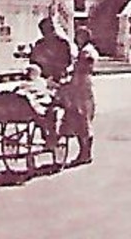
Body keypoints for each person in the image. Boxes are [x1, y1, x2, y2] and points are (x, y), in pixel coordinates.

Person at [58, 28, 99, 166]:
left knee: (84, 121)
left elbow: (88, 63)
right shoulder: (83, 50)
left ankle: (86, 153)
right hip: (79, 86)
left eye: (79, 36)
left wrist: (76, 67)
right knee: (80, 122)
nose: (77, 38)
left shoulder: (87, 50)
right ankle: (84, 153)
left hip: (83, 88)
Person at [27, 17, 72, 83]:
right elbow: (33, 62)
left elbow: (66, 62)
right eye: (45, 30)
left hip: (58, 78)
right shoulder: (39, 44)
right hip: (42, 79)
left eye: (50, 28)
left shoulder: (62, 43)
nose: (49, 32)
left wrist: (50, 62)